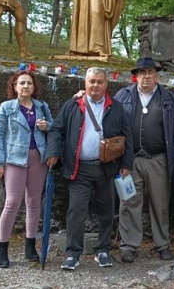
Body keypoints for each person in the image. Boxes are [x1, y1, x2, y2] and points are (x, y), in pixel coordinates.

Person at [46, 67, 133, 271]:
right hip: (79, 168)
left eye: (99, 82)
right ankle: (72, 253)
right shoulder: (73, 105)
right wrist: (53, 152)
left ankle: (102, 250)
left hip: (107, 168)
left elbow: (126, 136)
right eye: (91, 81)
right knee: (76, 210)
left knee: (106, 211)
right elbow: (57, 129)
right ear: (85, 83)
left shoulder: (117, 108)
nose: (95, 85)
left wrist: (127, 164)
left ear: (106, 84)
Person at [114, 56, 174, 262]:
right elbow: (111, 123)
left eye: (150, 72)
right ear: (135, 76)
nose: (146, 77)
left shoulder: (169, 98)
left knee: (160, 203)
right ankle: (128, 245)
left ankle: (162, 244)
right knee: (128, 201)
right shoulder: (122, 95)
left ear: (156, 76)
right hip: (129, 160)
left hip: (158, 159)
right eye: (142, 73)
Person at [0, 70, 53, 268]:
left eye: (29, 83)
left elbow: (53, 129)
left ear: (34, 87)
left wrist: (47, 126)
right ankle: (2, 248)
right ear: (15, 87)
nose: (25, 86)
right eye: (21, 83)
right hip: (14, 160)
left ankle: (30, 246)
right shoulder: (6, 108)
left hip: (39, 158)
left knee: (34, 202)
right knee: (12, 203)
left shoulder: (42, 107)